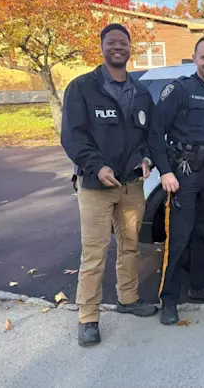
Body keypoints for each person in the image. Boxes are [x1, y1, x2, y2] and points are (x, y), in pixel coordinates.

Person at [61, 23, 159, 347]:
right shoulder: (82, 88)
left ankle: (128, 299)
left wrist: (146, 159)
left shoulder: (142, 93)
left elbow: (148, 137)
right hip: (95, 185)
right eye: (112, 42)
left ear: (131, 49)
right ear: (101, 47)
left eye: (124, 43)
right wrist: (97, 166)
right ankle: (87, 318)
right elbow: (73, 137)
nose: (118, 47)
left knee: (130, 246)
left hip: (131, 185)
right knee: (95, 253)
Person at [149, 36, 204, 325]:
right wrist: (165, 171)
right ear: (194, 58)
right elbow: (155, 131)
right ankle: (169, 299)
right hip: (184, 175)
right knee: (179, 237)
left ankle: (199, 287)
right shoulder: (179, 90)